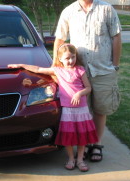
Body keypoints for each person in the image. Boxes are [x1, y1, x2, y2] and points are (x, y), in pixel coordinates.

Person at [54, 0, 122, 163]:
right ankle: (83, 147)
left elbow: (116, 37)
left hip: (103, 70)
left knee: (100, 110)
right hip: (78, 73)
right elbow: (60, 38)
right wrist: (56, 65)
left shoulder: (107, 10)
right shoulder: (68, 12)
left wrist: (115, 65)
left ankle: (96, 145)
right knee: (82, 111)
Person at [9, 43, 98, 172]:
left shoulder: (80, 70)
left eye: (72, 57)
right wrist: (21, 65)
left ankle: (80, 160)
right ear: (60, 59)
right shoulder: (58, 70)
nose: (70, 61)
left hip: (81, 109)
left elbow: (88, 88)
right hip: (67, 109)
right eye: (67, 58)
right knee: (69, 135)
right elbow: (38, 69)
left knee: (81, 135)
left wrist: (79, 93)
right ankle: (71, 159)